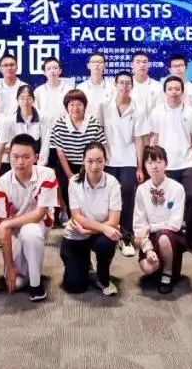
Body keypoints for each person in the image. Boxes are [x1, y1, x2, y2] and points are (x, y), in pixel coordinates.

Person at [0, 134, 57, 302]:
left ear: (35, 157)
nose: (20, 162)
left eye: (26, 157)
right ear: (9, 156)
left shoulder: (47, 174)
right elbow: (5, 230)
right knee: (18, 283)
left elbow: (39, 214)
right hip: (14, 230)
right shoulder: (2, 183)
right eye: (15, 157)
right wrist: (10, 266)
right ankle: (28, 266)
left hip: (39, 225)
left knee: (30, 232)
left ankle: (36, 284)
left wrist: (6, 224)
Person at [148, 76, 192, 250]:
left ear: (182, 91)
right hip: (165, 165)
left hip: (188, 162)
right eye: (170, 89)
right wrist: (152, 164)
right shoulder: (157, 112)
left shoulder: (190, 112)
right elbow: (154, 139)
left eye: (177, 89)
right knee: (165, 201)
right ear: (165, 92)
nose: (174, 92)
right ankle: (168, 236)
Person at [61, 142, 122, 296]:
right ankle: (85, 263)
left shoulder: (112, 183)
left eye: (99, 161)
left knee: (106, 243)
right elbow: (77, 216)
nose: (95, 166)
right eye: (90, 161)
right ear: (83, 161)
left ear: (105, 161)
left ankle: (102, 275)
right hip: (77, 233)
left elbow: (114, 221)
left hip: (98, 234)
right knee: (75, 286)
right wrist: (102, 228)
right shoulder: (74, 182)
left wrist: (89, 231)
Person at [100, 71, 149, 257]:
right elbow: (98, 132)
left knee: (127, 192)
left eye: (128, 83)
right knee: (107, 195)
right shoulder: (104, 106)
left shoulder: (138, 108)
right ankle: (107, 231)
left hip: (128, 159)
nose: (124, 86)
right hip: (108, 159)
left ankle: (126, 236)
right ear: (115, 84)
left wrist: (139, 166)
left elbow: (139, 139)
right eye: (121, 82)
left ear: (132, 86)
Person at [133, 145, 187, 294]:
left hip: (171, 236)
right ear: (144, 165)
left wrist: (150, 227)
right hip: (149, 237)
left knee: (164, 236)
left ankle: (167, 272)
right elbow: (139, 224)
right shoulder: (141, 190)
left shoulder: (177, 188)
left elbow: (175, 224)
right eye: (149, 162)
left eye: (158, 161)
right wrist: (148, 249)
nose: (154, 166)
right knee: (149, 268)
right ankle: (159, 263)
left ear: (166, 163)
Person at [51, 90, 106, 223]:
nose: (75, 108)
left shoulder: (93, 122)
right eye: (71, 104)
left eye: (79, 104)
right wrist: (69, 174)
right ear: (66, 107)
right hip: (66, 164)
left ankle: (89, 220)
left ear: (85, 106)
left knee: (87, 190)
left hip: (88, 164)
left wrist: (86, 169)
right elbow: (60, 152)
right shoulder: (59, 124)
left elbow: (99, 147)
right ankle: (73, 220)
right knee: (66, 188)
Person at [0, 85, 52, 163]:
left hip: (37, 161)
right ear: (17, 100)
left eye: (29, 98)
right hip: (19, 162)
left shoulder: (43, 118)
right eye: (22, 98)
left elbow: (45, 145)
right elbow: (11, 147)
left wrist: (40, 165)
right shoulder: (11, 121)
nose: (26, 102)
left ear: (33, 100)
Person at [76, 51, 115, 119]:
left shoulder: (112, 87)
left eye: (100, 62)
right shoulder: (81, 88)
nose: (96, 64)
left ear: (105, 66)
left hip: (107, 124)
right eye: (93, 62)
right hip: (87, 124)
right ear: (88, 65)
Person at [35, 56, 71, 121]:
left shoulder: (69, 90)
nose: (52, 71)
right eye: (48, 69)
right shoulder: (38, 91)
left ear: (60, 71)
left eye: (55, 68)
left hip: (64, 126)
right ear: (44, 72)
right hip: (44, 126)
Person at [130, 51, 161, 118]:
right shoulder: (125, 86)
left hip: (152, 124)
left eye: (144, 62)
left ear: (148, 65)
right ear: (132, 65)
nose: (142, 65)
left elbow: (160, 111)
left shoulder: (158, 86)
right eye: (138, 62)